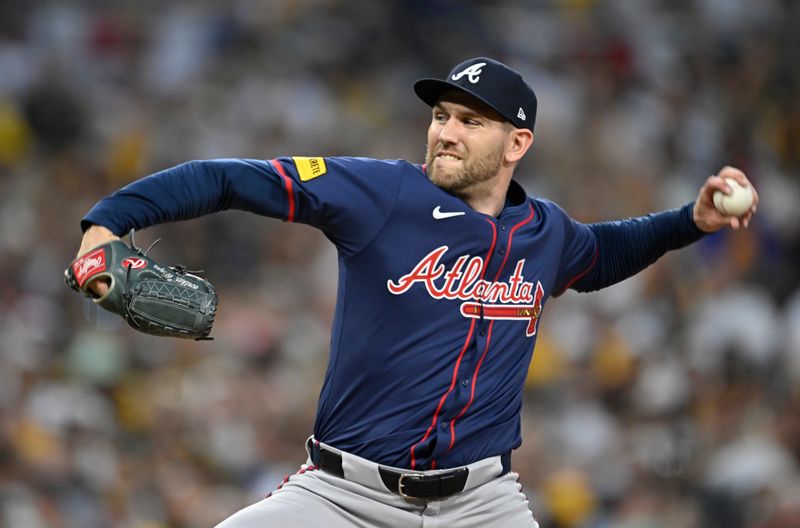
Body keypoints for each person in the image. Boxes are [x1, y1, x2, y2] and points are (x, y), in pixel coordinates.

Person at [73, 57, 758, 527]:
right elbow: (228, 177)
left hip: (481, 504)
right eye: (442, 114)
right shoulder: (378, 192)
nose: (447, 131)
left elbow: (604, 253)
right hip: (343, 497)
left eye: (471, 120)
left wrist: (688, 223)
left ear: (517, 142)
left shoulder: (545, 233)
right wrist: (107, 221)